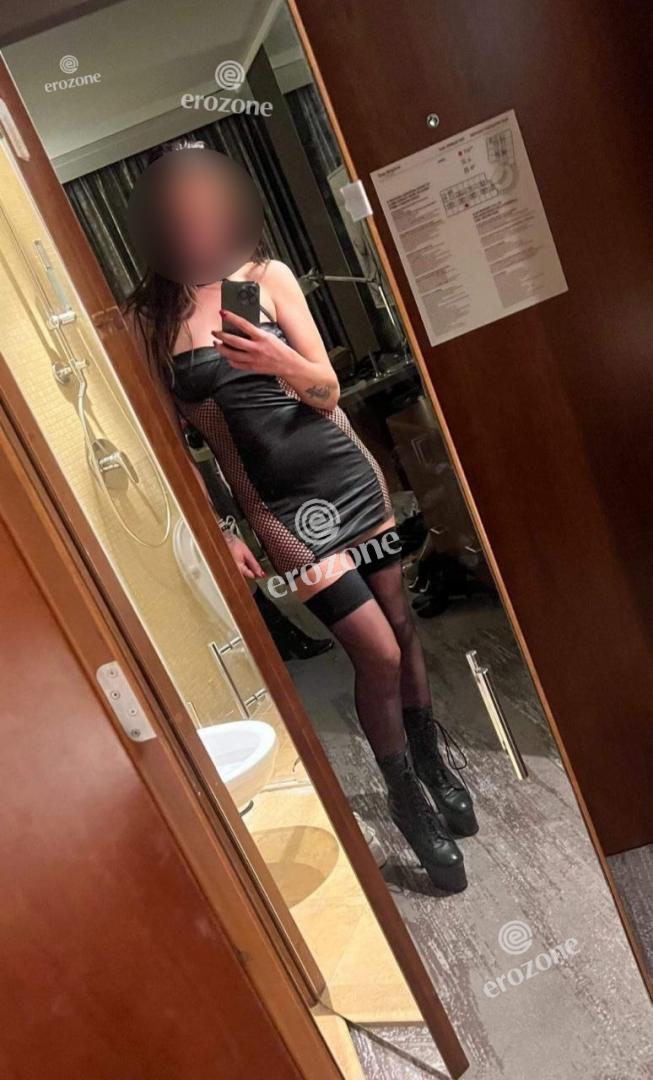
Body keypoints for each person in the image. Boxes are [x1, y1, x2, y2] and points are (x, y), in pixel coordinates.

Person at [125, 139, 478, 893]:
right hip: (280, 512)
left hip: (349, 477)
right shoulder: (147, 320)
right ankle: (405, 798)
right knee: (376, 654)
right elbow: (168, 445)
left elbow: (325, 391)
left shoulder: (266, 276)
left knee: (403, 629)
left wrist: (277, 361)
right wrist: (221, 527)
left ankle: (431, 760)